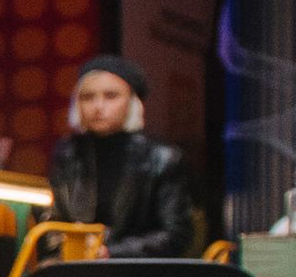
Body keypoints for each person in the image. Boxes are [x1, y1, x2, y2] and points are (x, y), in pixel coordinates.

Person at [48, 56, 194, 259]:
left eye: (111, 96)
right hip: (77, 269)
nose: (98, 106)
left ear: (133, 101)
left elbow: (177, 234)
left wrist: (110, 252)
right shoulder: (68, 152)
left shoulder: (162, 157)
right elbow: (52, 220)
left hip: (138, 272)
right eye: (87, 97)